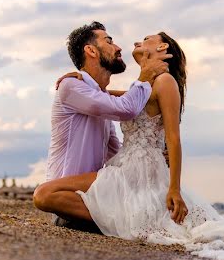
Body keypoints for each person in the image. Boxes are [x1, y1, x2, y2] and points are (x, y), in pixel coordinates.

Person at [35, 32, 224, 250]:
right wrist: (78, 79)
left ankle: (125, 220)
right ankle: (123, 220)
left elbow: (173, 139)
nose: (134, 42)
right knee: (50, 195)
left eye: (146, 39)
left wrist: (174, 189)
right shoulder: (143, 86)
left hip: (142, 169)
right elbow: (117, 99)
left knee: (46, 195)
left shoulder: (165, 82)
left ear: (162, 48)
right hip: (125, 167)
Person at [33, 21, 170, 232]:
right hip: (68, 200)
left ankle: (134, 217)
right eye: (109, 41)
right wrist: (145, 75)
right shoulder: (71, 87)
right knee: (43, 195)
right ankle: (129, 221)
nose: (118, 48)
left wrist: (152, 155)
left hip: (97, 193)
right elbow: (126, 109)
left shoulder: (98, 96)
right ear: (91, 51)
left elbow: (115, 152)